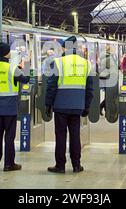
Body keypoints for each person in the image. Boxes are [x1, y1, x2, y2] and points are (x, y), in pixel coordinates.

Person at [45, 36, 94, 173]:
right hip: (77, 105)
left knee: (60, 136)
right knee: (75, 135)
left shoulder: (58, 62)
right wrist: (87, 105)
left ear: (65, 47)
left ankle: (60, 166)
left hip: (61, 105)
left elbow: (51, 86)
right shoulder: (85, 63)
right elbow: (90, 89)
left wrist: (48, 104)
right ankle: (76, 165)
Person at [0, 42, 30, 172]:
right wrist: (26, 66)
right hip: (10, 106)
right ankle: (9, 164)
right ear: (6, 54)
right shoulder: (12, 68)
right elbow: (25, 79)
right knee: (9, 137)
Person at [99, 45, 118, 115]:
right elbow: (106, 69)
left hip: (110, 78)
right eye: (114, 49)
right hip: (109, 79)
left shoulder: (109, 57)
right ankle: (101, 107)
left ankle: (106, 109)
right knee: (110, 96)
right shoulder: (107, 58)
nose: (115, 50)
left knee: (108, 95)